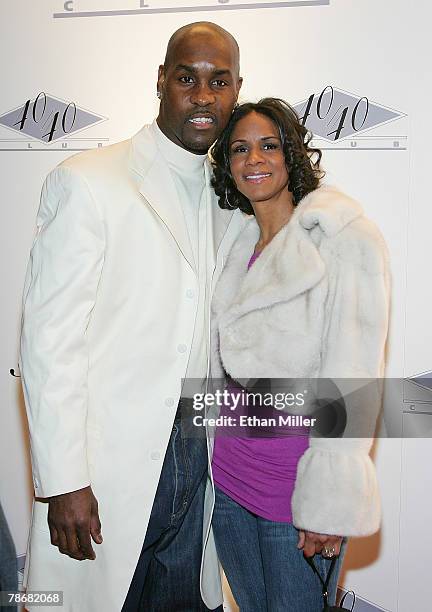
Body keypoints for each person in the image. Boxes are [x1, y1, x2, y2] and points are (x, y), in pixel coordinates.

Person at [19, 22, 244, 612]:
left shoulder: (236, 196)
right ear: (162, 81)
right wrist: (64, 479)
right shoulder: (88, 181)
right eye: (187, 78)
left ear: (237, 91)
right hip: (110, 468)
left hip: (201, 456)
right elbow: (49, 342)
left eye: (219, 82)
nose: (203, 96)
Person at [208, 98, 390, 611]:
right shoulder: (232, 243)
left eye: (269, 145)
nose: (254, 159)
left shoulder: (340, 239)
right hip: (229, 484)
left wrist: (329, 505)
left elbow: (354, 379)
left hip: (296, 492)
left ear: (291, 154)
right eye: (239, 149)